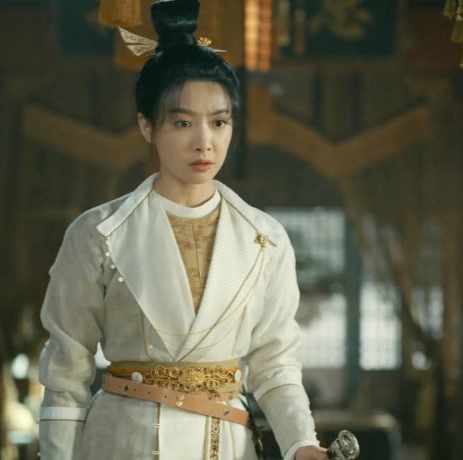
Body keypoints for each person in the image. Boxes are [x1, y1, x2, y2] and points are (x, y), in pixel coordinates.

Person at [38, 0, 327, 458]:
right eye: (182, 122)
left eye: (219, 122)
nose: (203, 142)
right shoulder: (97, 233)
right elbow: (66, 372)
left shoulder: (265, 238)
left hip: (223, 444)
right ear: (147, 126)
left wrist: (301, 443)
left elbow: (274, 362)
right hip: (123, 442)